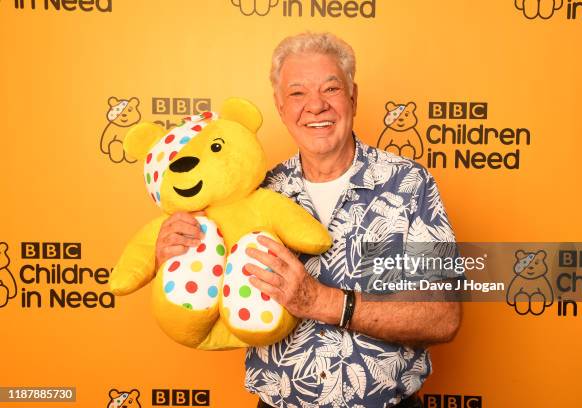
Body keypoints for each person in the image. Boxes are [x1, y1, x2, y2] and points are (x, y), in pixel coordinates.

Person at [155, 32, 461, 408]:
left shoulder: (410, 184)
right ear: (280, 107)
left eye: (330, 89)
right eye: (297, 93)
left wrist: (323, 301)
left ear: (353, 96)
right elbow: (209, 300)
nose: (315, 106)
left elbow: (443, 316)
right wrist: (179, 252)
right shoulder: (251, 196)